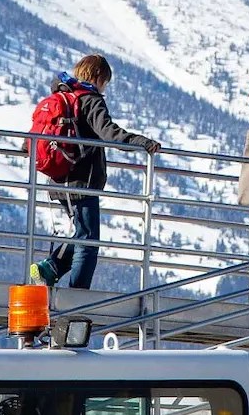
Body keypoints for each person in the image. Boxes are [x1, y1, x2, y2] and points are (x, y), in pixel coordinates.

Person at [28, 54, 162, 290]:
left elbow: (35, 137)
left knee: (83, 233)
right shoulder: (90, 99)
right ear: (99, 77)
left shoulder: (62, 97)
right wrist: (141, 142)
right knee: (89, 242)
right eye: (105, 83)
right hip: (81, 181)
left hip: (59, 180)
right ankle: (78, 293)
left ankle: (49, 268)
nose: (104, 88)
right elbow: (109, 132)